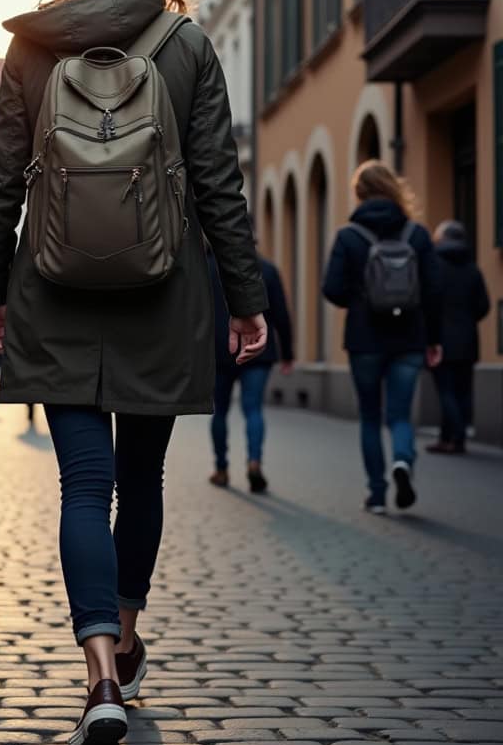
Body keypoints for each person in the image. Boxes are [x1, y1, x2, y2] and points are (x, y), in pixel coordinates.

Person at [0, 0, 267, 745]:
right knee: (139, 482)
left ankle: (98, 672)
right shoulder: (187, 45)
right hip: (163, 294)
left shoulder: (30, 49)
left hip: (54, 294)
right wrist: (244, 301)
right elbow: (219, 186)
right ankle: (129, 637)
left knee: (81, 487)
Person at [322, 160, 442, 516]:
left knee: (370, 417)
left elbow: (332, 288)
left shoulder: (348, 236)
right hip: (409, 339)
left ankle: (376, 495)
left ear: (359, 194)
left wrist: (360, 300)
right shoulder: (417, 235)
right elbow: (435, 291)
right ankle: (403, 461)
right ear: (393, 188)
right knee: (400, 415)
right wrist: (433, 339)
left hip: (364, 340)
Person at [208, 246, 294, 493]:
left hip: (219, 351)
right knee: (253, 409)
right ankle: (254, 463)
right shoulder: (266, 269)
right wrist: (287, 354)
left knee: (220, 411)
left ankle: (221, 469)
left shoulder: (206, 267)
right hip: (258, 350)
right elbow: (281, 314)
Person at [427, 220, 489, 454]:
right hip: (468, 339)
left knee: (445, 391)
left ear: (441, 240)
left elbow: (428, 301)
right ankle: (450, 438)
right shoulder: (473, 269)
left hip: (440, 339)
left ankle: (457, 435)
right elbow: (483, 306)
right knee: (463, 390)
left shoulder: (435, 266)